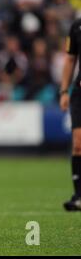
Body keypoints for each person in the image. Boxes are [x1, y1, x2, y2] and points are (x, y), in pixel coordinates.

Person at [60, 17, 81, 211]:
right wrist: (64, 91)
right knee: (78, 144)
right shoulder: (77, 25)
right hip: (79, 93)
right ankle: (78, 196)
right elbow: (70, 59)